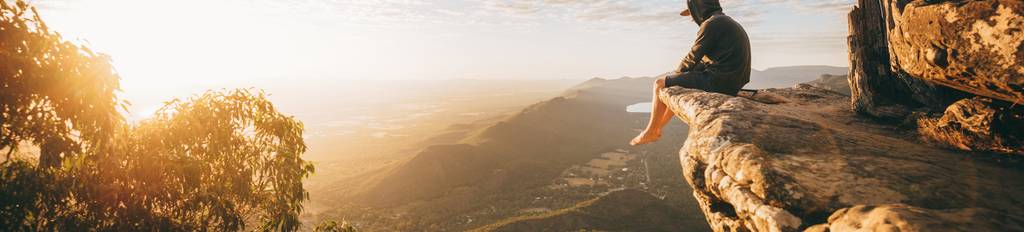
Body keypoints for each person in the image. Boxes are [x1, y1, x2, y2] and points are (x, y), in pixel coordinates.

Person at [630, 0, 751, 146]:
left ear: (699, 8)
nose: (692, 18)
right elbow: (704, 60)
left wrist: (674, 76)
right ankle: (657, 128)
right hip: (732, 80)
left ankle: (651, 131)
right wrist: (678, 77)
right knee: (678, 82)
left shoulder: (712, 24)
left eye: (692, 13)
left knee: (660, 84)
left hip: (720, 80)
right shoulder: (724, 21)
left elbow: (693, 56)